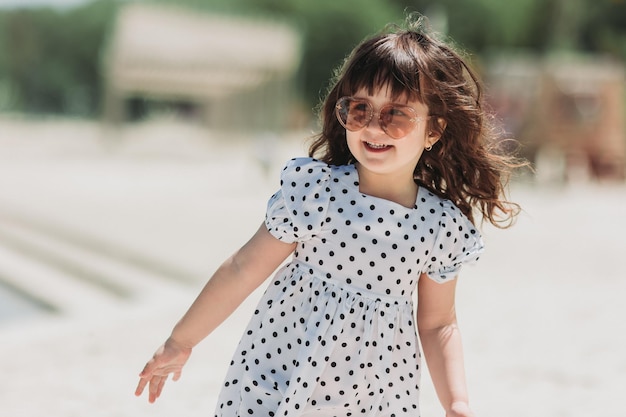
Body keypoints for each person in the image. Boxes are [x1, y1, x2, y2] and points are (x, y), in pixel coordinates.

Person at [135, 16, 522, 417]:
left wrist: (456, 401)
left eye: (396, 115)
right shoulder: (316, 193)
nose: (375, 126)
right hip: (282, 371)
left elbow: (438, 323)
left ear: (433, 131)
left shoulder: (440, 226)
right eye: (360, 110)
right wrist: (181, 341)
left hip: (375, 395)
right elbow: (243, 268)